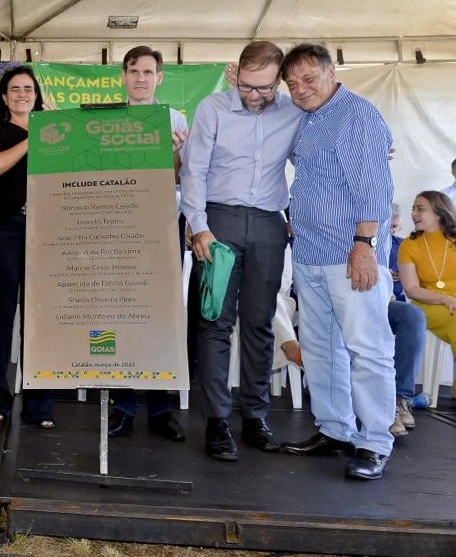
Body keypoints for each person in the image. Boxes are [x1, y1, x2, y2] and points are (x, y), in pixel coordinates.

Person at [180, 41, 304, 461]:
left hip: (270, 225)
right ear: (237, 74)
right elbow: (193, 170)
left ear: (279, 78)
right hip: (219, 222)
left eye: (264, 88)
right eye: (247, 87)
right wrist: (199, 227)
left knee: (260, 323)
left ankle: (255, 417)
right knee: (214, 321)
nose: (254, 96)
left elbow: (319, 152)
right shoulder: (213, 108)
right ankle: (216, 421)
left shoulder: (293, 111)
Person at [279, 43, 395, 481]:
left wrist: (364, 243)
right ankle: (335, 429)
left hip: (351, 255)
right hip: (310, 252)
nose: (301, 89)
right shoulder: (308, 119)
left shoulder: (357, 115)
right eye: (292, 83)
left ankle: (375, 441)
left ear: (332, 73)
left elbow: (374, 188)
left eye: (309, 79)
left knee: (368, 349)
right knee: (322, 348)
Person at [108, 46, 189, 442]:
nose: (141, 78)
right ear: (123, 76)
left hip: (162, 226)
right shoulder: (106, 120)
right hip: (118, 226)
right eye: (134, 70)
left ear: (160, 77)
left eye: (148, 71)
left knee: (162, 316)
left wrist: (175, 154)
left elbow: (180, 180)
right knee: (121, 314)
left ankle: (161, 409)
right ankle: (121, 406)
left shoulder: (176, 120)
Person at [0, 66, 55, 427]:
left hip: (44, 229)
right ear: (5, 97)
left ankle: (39, 403)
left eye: (28, 88)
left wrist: (60, 131)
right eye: (15, 89)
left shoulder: (52, 131)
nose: (23, 93)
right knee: (3, 313)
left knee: (39, 319)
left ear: (36, 95)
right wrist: (34, 137)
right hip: (2, 228)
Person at [398, 191, 456, 400]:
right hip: (427, 302)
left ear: (440, 212)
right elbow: (412, 289)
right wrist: (445, 299)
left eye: (420, 209)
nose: (413, 213)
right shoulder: (408, 245)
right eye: (413, 209)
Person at [388, 202, 426, 436]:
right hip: (353, 300)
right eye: (389, 227)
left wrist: (397, 278)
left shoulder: (402, 247)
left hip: (388, 303)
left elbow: (410, 286)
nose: (392, 231)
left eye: (395, 227)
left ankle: (400, 396)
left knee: (413, 314)